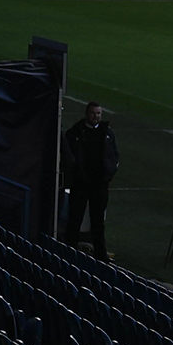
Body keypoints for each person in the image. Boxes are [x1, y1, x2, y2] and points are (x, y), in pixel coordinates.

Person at [62, 102, 120, 257]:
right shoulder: (75, 132)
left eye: (99, 113)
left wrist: (110, 172)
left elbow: (114, 154)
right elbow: (67, 156)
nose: (96, 116)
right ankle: (69, 252)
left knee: (98, 223)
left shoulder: (107, 132)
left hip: (99, 184)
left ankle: (100, 255)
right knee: (75, 220)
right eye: (94, 113)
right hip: (80, 183)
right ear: (87, 114)